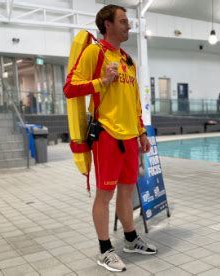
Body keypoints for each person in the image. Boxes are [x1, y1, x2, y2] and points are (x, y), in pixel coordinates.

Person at [63, 4, 157, 273]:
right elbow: (70, 88)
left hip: (129, 137)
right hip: (106, 135)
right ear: (108, 25)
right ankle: (105, 250)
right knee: (105, 194)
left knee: (127, 192)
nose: (129, 25)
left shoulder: (128, 60)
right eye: (124, 21)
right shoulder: (95, 52)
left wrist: (141, 132)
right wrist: (100, 82)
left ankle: (130, 239)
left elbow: (135, 101)